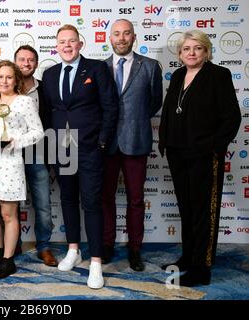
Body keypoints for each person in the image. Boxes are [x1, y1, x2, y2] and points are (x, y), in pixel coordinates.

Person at [158, 30, 241, 287]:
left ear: (206, 51)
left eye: (197, 48)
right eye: (186, 49)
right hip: (177, 152)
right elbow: (172, 111)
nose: (191, 53)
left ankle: (202, 268)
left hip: (204, 155)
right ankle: (189, 256)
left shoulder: (218, 75)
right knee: (187, 208)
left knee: (204, 210)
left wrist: (215, 148)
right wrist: (165, 141)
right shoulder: (179, 75)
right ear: (180, 54)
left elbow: (232, 117)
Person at [42, 24, 119, 289]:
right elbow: (47, 113)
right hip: (61, 148)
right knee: (67, 200)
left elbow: (111, 107)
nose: (67, 46)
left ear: (80, 44)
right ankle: (73, 250)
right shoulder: (49, 74)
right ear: (56, 45)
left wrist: (101, 142)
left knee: (92, 203)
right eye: (62, 42)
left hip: (89, 148)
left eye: (71, 41)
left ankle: (95, 262)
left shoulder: (97, 69)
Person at [102, 19, 163, 271]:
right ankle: (106, 244)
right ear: (110, 38)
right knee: (105, 198)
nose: (121, 38)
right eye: (117, 34)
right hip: (105, 144)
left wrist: (135, 122)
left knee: (136, 199)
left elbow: (155, 103)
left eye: (126, 33)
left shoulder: (149, 66)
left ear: (134, 37)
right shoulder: (99, 68)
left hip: (137, 141)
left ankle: (134, 249)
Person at [0, 60, 44, 279]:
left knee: (8, 214)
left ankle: (8, 260)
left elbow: (37, 132)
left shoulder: (24, 102)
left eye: (9, 77)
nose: (4, 81)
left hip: (11, 164)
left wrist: (15, 141)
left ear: (16, 80)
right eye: (0, 76)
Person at [13, 45, 58, 267]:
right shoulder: (6, 86)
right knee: (10, 204)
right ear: (15, 62)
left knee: (42, 204)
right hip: (10, 154)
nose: (26, 64)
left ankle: (44, 247)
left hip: (38, 153)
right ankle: (13, 245)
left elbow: (50, 121)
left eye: (31, 60)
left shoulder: (44, 88)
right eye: (22, 59)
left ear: (36, 63)